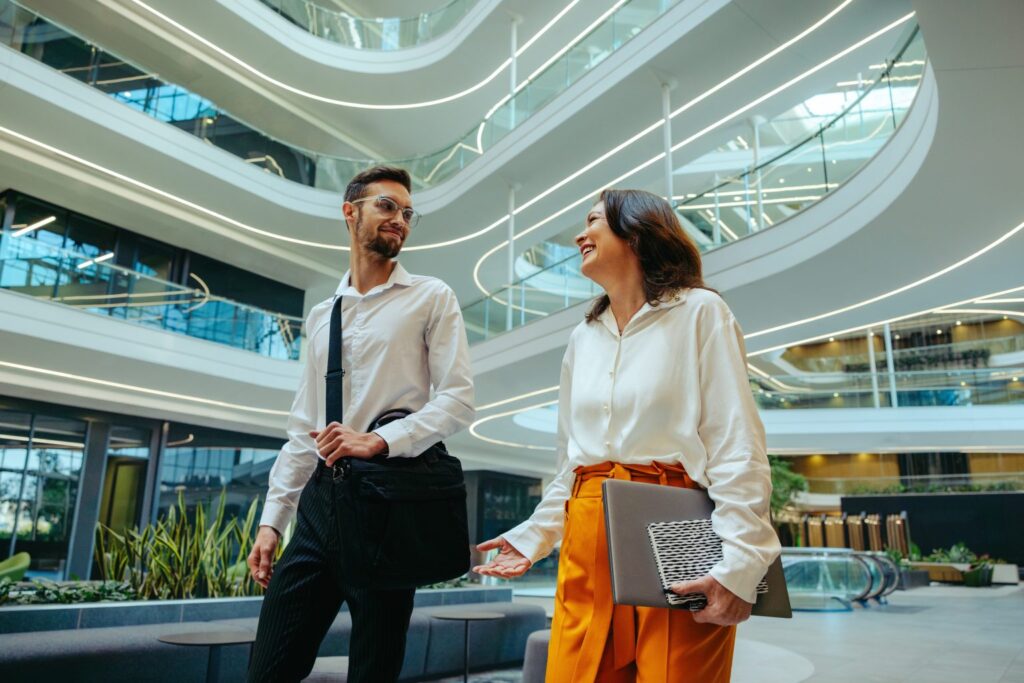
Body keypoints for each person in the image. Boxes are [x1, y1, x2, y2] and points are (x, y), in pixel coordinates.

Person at [474, 188, 779, 682]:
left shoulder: (701, 312)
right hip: (586, 532)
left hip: (677, 525)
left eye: (594, 220)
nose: (580, 234)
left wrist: (742, 564)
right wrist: (534, 536)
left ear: (636, 233)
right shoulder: (583, 336)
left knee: (675, 673)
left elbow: (735, 444)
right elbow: (573, 464)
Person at [246, 165, 475, 683]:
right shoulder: (323, 314)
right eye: (387, 206)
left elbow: (459, 400)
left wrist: (380, 439)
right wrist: (271, 521)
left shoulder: (430, 296)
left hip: (388, 503)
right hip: (320, 505)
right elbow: (304, 427)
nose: (400, 220)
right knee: (268, 668)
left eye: (408, 213)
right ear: (350, 212)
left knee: (374, 669)